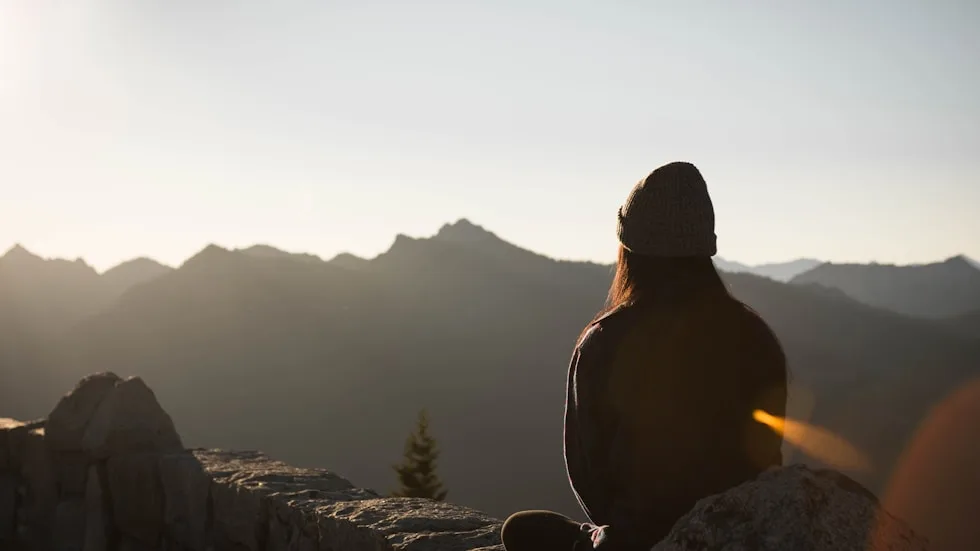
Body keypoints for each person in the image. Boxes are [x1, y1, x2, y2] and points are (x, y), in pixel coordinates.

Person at [501, 161, 788, 551]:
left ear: (630, 250)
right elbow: (767, 457)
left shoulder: (605, 341)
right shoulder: (756, 337)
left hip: (642, 542)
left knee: (522, 530)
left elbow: (590, 474)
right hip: (747, 533)